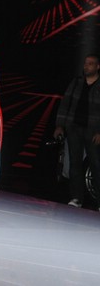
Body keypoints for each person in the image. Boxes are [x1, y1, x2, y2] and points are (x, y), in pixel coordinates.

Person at [53, 54, 100, 209]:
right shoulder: (76, 83)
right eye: (86, 63)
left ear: (98, 67)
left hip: (93, 131)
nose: (86, 66)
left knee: (95, 164)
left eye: (90, 63)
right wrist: (60, 125)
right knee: (75, 163)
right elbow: (65, 104)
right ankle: (76, 198)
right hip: (74, 128)